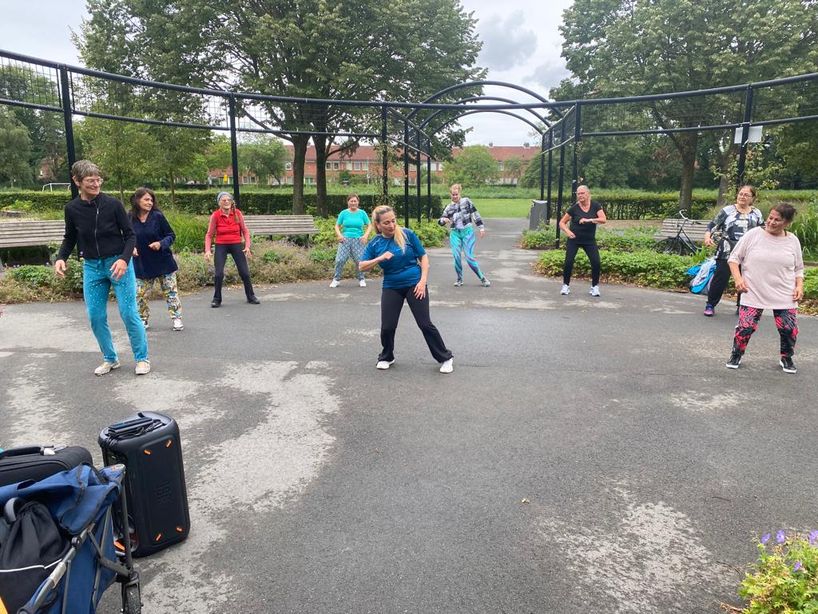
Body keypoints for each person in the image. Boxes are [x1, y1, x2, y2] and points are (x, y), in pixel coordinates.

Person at [54, 160, 150, 376]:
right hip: (92, 267)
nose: (96, 184)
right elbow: (70, 237)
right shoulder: (72, 209)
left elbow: (130, 235)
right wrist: (61, 258)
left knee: (128, 313)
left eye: (98, 180)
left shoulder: (113, 204)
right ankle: (110, 358)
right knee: (95, 317)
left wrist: (124, 259)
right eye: (90, 181)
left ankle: (142, 358)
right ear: (77, 181)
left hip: (118, 264)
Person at [360, 205, 454, 374]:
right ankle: (387, 356)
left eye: (393, 221)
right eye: (386, 223)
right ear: (378, 225)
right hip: (391, 286)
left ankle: (445, 357)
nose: (391, 225)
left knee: (425, 324)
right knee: (387, 326)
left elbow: (423, 257)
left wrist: (422, 282)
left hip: (414, 283)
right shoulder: (375, 243)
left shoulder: (407, 234)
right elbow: (362, 266)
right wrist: (380, 258)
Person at [725, 203, 803, 374]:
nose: (771, 222)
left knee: (788, 329)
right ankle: (736, 354)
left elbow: (799, 268)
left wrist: (799, 286)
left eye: (777, 220)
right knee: (746, 327)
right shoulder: (753, 235)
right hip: (753, 290)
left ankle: (786, 357)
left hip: (784, 292)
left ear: (787, 223)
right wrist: (738, 279)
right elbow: (734, 259)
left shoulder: (792, 240)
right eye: (770, 218)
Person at [702, 185, 765, 316]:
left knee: (746, 279)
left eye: (746, 195)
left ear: (752, 198)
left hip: (748, 252)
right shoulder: (727, 210)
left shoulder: (756, 213)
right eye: (741, 194)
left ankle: (742, 306)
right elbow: (712, 225)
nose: (742, 197)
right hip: (727, 250)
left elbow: (762, 230)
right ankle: (710, 304)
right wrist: (708, 237)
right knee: (721, 278)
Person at [129, 187, 183, 332]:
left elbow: (171, 235)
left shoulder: (157, 216)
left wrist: (160, 244)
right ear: (137, 200)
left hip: (163, 261)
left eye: (151, 200)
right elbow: (125, 236)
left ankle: (176, 318)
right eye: (146, 199)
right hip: (142, 263)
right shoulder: (130, 217)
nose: (150, 203)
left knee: (170, 292)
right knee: (139, 294)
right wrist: (130, 248)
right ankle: (143, 319)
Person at [204, 191, 259, 307]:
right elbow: (209, 235)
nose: (226, 202)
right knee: (218, 274)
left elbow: (245, 231)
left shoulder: (237, 213)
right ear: (219, 202)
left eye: (228, 200)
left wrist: (247, 246)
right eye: (223, 200)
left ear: (232, 202)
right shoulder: (215, 215)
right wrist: (207, 250)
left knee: (244, 273)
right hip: (221, 245)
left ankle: (251, 296)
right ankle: (217, 299)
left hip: (236, 244)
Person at [438, 183, 490, 287]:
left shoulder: (466, 201)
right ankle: (459, 279)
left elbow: (475, 214)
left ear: (459, 193)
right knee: (456, 256)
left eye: (456, 194)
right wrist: (444, 220)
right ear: (450, 195)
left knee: (469, 258)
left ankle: (482, 278)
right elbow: (441, 220)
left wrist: (481, 227)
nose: (455, 196)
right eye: (453, 194)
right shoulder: (449, 207)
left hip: (467, 232)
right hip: (455, 233)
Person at [558, 184, 606, 296]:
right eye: (578, 193)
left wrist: (589, 220)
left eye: (582, 193)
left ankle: (594, 287)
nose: (580, 195)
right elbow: (561, 222)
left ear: (588, 194)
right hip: (574, 240)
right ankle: (565, 286)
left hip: (589, 240)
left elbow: (603, 219)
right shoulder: (574, 208)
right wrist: (568, 232)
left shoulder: (595, 205)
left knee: (596, 262)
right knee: (568, 262)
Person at [330, 194, 371, 288]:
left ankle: (361, 279)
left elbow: (369, 225)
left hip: (358, 240)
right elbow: (337, 225)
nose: (353, 203)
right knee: (340, 260)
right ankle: (336, 279)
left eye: (355, 201)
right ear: (348, 202)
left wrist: (365, 235)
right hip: (345, 240)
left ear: (358, 202)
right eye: (351, 201)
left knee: (359, 260)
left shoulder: (362, 213)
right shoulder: (343, 213)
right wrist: (339, 235)